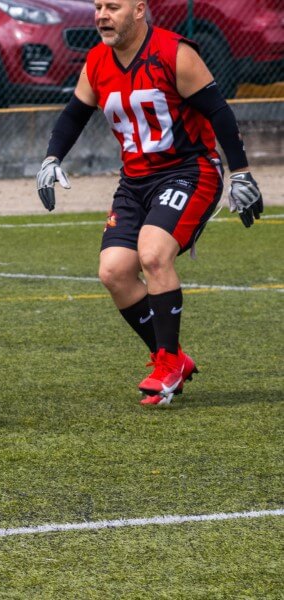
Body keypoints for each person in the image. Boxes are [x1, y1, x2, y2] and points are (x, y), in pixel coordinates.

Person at [35, 0, 264, 405]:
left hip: (190, 171)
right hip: (134, 181)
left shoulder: (175, 53)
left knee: (154, 255)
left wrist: (241, 171)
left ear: (139, 11)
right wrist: (53, 157)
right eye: (97, 7)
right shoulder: (97, 61)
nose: (101, 15)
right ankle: (168, 356)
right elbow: (74, 115)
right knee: (114, 272)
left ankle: (169, 365)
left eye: (113, 7)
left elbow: (220, 114)